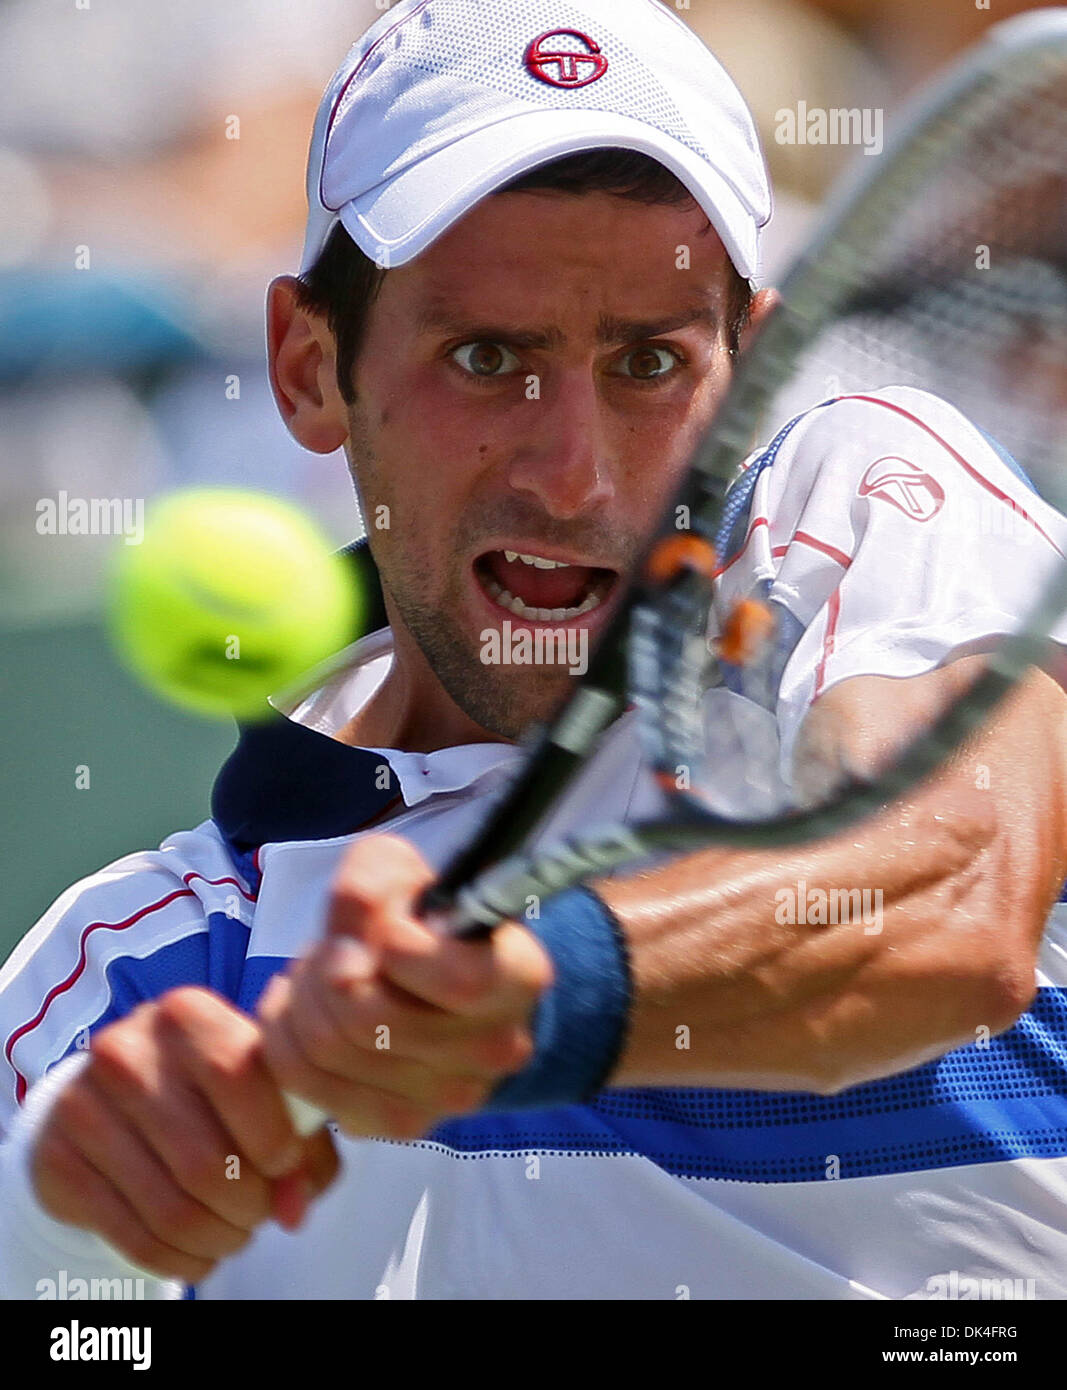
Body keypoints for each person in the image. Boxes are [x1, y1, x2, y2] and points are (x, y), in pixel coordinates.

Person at [2, 0, 1067, 1301]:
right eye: (489, 356)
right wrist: (68, 1236)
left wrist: (544, 991)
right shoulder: (124, 984)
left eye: (648, 363)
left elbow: (948, 889)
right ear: (307, 367)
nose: (575, 475)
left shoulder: (859, 494)